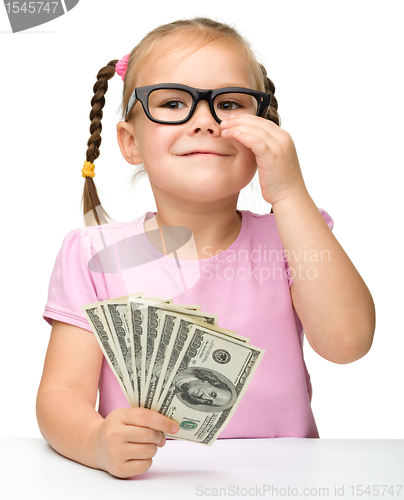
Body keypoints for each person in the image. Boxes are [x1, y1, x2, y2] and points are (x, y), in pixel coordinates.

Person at [37, 17, 376, 479]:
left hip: (285, 481)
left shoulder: (293, 236)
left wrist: (291, 193)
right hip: (152, 482)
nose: (206, 121)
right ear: (131, 142)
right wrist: (95, 442)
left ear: (263, 132)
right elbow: (61, 396)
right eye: (174, 102)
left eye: (230, 104)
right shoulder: (93, 253)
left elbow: (347, 343)